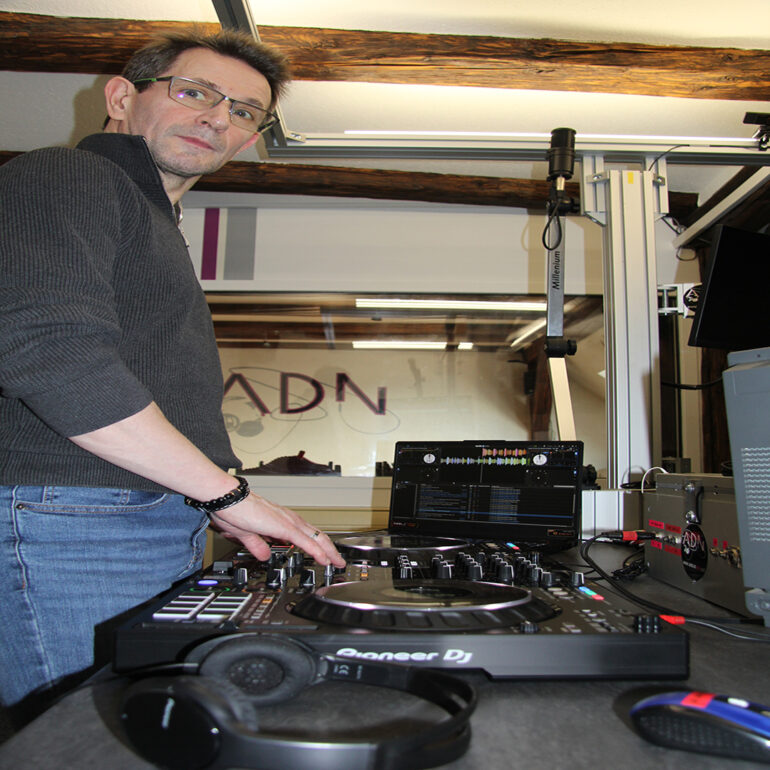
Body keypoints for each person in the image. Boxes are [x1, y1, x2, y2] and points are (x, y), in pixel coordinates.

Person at [0, 28, 345, 718]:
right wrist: (228, 496)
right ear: (120, 97)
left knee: (142, 726)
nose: (218, 118)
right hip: (74, 520)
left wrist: (211, 501)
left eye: (243, 111)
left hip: (140, 514)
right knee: (90, 740)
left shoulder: (150, 218)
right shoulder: (66, 174)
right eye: (195, 93)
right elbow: (50, 353)